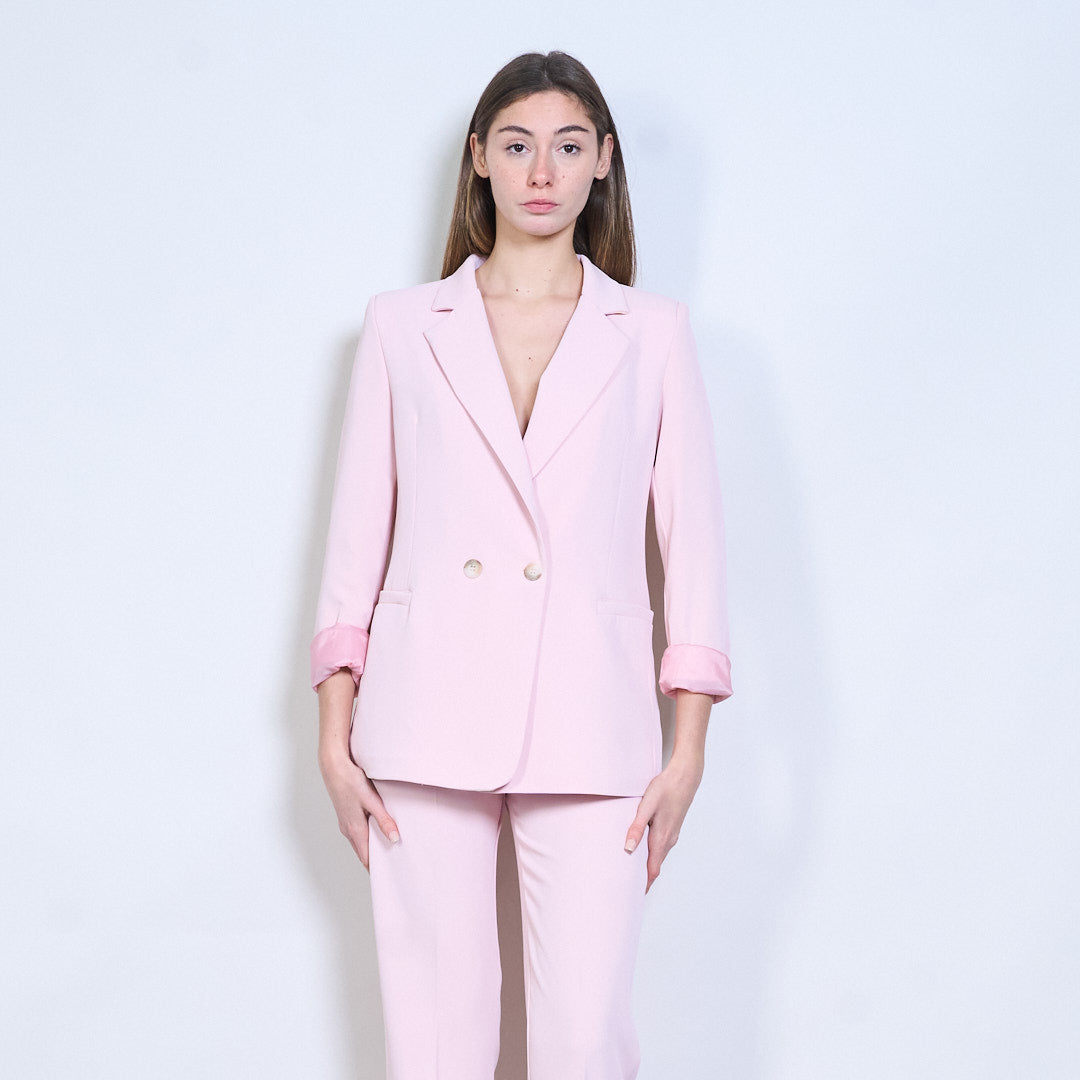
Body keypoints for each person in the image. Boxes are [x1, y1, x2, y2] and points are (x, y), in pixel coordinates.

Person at [310, 49, 733, 1080]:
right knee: (438, 1043)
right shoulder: (402, 326)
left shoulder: (653, 333)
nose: (542, 171)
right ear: (479, 159)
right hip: (422, 716)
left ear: (604, 162)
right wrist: (334, 736)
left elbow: (694, 549)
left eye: (568, 146)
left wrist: (687, 751)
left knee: (586, 1041)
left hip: (595, 724)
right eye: (517, 145)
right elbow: (357, 535)